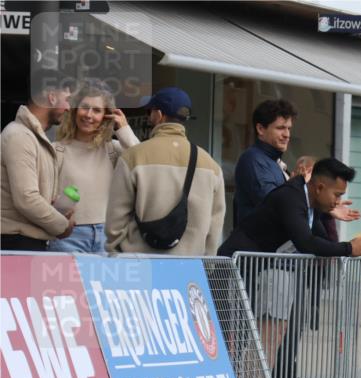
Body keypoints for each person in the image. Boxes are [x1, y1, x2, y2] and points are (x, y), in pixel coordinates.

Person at [218, 158, 361, 371]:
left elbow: (321, 239)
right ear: (319, 187)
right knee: (230, 340)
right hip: (231, 270)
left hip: (252, 272)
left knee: (250, 340)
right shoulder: (291, 197)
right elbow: (307, 242)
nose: (338, 201)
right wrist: (349, 249)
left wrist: (328, 212)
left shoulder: (308, 203)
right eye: (337, 195)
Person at [105, 87, 225, 256]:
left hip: (139, 264)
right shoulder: (211, 165)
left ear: (159, 115)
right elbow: (215, 225)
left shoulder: (132, 157)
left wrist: (118, 250)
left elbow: (115, 220)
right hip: (189, 268)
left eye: (150, 110)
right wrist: (207, 261)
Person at [50, 81, 140, 253]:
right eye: (84, 107)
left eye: (97, 110)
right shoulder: (56, 149)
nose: (89, 115)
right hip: (68, 236)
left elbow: (142, 161)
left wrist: (124, 129)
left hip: (108, 235)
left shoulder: (113, 148)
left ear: (106, 116)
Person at [0, 70, 74, 250]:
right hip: (16, 242)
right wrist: (62, 226)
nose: (69, 108)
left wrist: (55, 206)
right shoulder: (20, 136)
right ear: (52, 97)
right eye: (67, 100)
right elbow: (26, 199)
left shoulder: (32, 137)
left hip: (24, 241)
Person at [233, 99, 296, 229]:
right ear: (260, 129)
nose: (287, 135)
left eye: (289, 128)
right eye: (280, 128)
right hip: (256, 246)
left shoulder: (272, 160)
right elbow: (276, 206)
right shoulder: (253, 159)